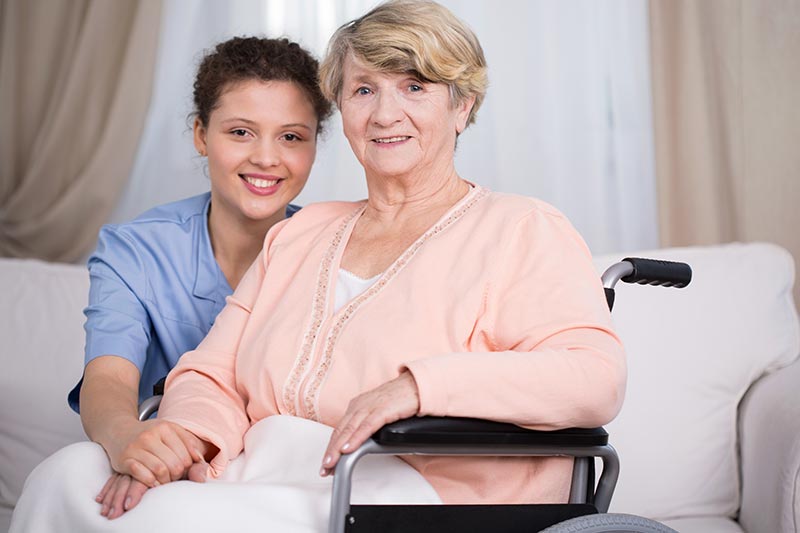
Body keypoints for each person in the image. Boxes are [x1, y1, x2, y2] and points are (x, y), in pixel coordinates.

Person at [10, 2, 625, 531]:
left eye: (415, 87)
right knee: (63, 477)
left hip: (410, 485)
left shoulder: (521, 228)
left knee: (172, 520)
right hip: (267, 467)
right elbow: (210, 373)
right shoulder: (303, 231)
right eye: (363, 90)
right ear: (345, 113)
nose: (385, 114)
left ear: (462, 107)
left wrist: (418, 386)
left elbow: (594, 377)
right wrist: (187, 441)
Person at [67, 36, 331, 515]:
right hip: (165, 451)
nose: (267, 158)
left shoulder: (334, 250)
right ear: (200, 134)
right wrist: (130, 437)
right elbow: (107, 377)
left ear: (315, 146)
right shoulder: (136, 249)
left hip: (279, 470)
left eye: (291, 136)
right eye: (240, 132)